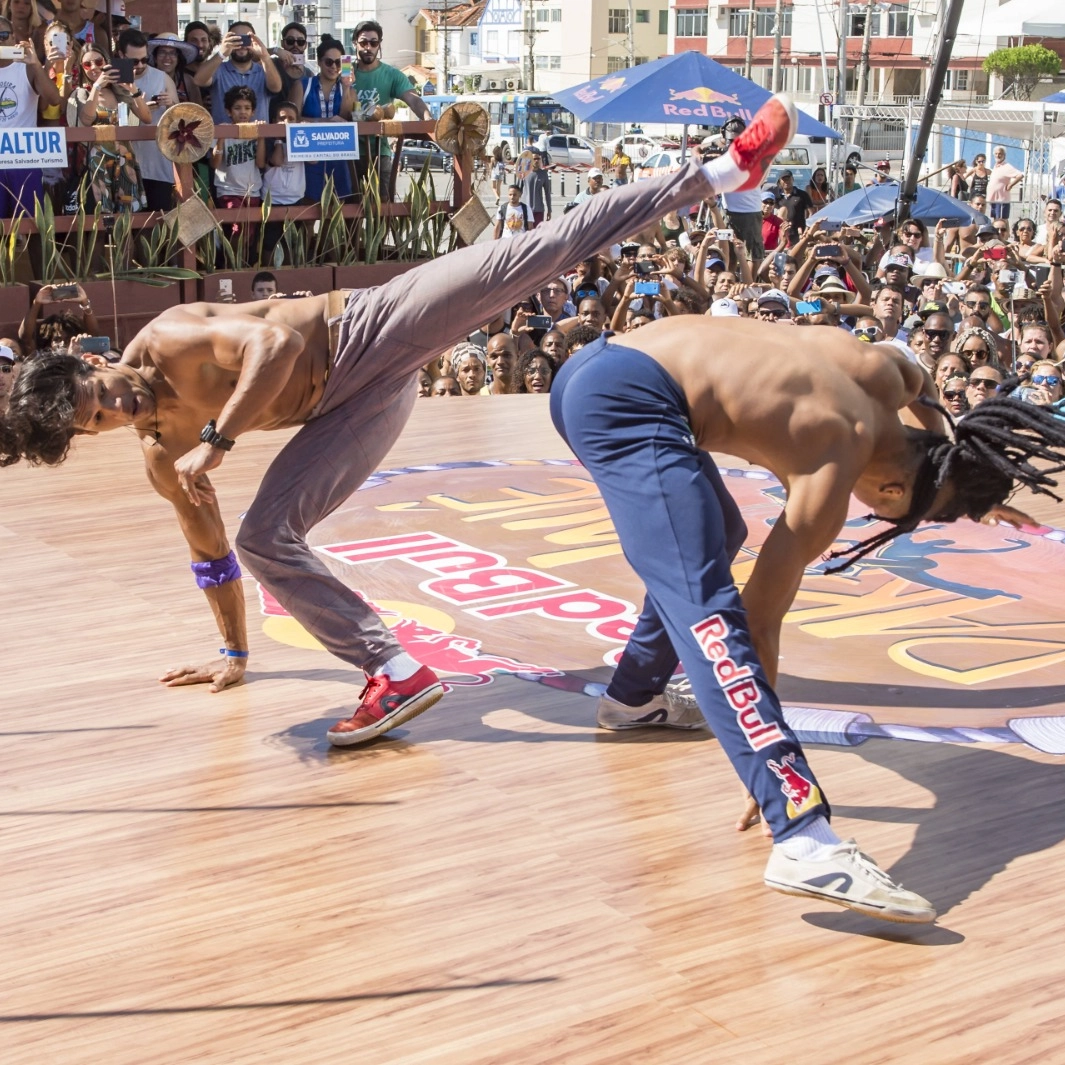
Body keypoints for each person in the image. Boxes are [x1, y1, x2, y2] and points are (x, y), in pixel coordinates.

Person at [3, 90, 805, 755]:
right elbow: (212, 554)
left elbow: (277, 342)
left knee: (528, 255)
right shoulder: (157, 450)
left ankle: (719, 172)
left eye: (99, 392)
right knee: (262, 539)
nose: (117, 407)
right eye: (97, 422)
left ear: (94, 360)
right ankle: (392, 668)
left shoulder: (169, 340)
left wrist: (218, 440)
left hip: (366, 328)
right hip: (357, 408)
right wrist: (233, 651)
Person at [551, 247, 1065, 924]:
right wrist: (766, 762)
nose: (887, 520)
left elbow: (929, 398)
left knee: (711, 537)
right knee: (707, 610)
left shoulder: (884, 373)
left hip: (610, 363)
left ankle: (633, 697)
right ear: (889, 486)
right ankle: (800, 833)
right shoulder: (828, 466)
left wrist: (967, 480)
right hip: (623, 401)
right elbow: (753, 627)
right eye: (901, 516)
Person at [67, 42, 149, 212]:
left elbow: (146, 117)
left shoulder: (120, 91)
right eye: (87, 64)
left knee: (127, 219)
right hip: (98, 163)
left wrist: (132, 89)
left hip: (124, 159)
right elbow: (87, 119)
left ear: (107, 62)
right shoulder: (84, 92)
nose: (94, 68)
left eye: (98, 62)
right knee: (100, 219)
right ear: (82, 68)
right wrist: (97, 86)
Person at [350, 19, 430, 192]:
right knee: (348, 214)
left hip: (380, 151)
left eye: (373, 42)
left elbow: (414, 99)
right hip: (347, 152)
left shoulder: (391, 74)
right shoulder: (344, 70)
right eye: (363, 42)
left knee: (383, 212)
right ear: (355, 43)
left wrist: (429, 119)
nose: (368, 47)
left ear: (379, 45)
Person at [0, 16, 61, 218]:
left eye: (3, 35)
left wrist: (35, 63)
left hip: (23, 159)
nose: (0, 40)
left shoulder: (26, 67)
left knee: (33, 225)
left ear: (13, 37)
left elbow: (53, 99)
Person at [118, 29, 179, 213]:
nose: (140, 65)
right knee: (127, 229)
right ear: (121, 55)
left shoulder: (162, 78)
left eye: (144, 59)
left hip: (158, 166)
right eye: (134, 61)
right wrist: (138, 110)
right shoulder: (114, 77)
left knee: (159, 227)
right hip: (124, 167)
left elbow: (181, 120)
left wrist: (170, 105)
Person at [194, 20, 280, 126]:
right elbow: (198, 80)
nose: (241, 45)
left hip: (258, 140)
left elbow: (276, 87)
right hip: (224, 140)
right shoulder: (219, 70)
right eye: (235, 40)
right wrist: (221, 53)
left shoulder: (264, 70)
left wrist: (265, 57)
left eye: (246, 40)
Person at [301, 36, 355, 203]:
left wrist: (346, 88)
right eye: (329, 62)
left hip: (339, 156)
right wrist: (325, 122)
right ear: (319, 62)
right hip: (310, 156)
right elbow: (292, 118)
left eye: (339, 62)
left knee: (338, 210)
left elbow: (347, 118)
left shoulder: (349, 90)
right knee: (309, 209)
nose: (334, 67)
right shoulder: (303, 85)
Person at [986, 146, 1023, 221]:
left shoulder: (1007, 166)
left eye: (1000, 154)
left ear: (1004, 155)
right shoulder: (996, 166)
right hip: (994, 200)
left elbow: (1020, 175)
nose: (997, 155)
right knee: (995, 221)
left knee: (1002, 221)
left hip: (1002, 201)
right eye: (996, 154)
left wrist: (1011, 185)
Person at [519, 153, 551, 228]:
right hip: (525, 208)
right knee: (526, 233)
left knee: (537, 233)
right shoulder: (524, 173)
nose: (536, 161)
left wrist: (549, 210)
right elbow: (517, 191)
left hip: (538, 210)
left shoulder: (543, 174)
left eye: (538, 159)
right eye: (534, 159)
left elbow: (547, 193)